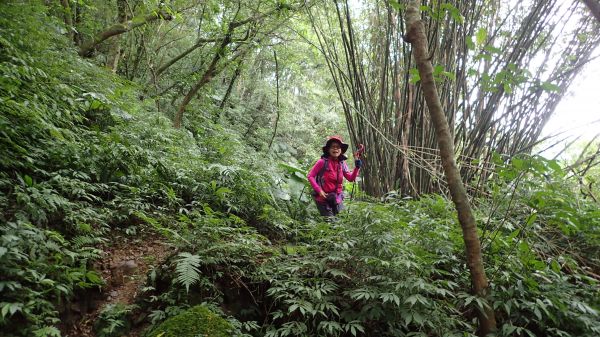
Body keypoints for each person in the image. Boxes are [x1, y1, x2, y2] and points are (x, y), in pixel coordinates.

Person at [307, 135, 362, 217]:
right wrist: (319, 191)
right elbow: (310, 176)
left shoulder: (342, 163)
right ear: (328, 149)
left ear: (341, 150)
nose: (335, 149)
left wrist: (357, 167)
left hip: (337, 198)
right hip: (323, 199)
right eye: (333, 147)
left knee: (341, 221)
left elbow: (350, 178)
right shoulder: (322, 162)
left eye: (338, 147)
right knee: (331, 224)